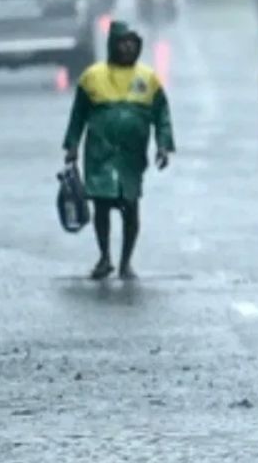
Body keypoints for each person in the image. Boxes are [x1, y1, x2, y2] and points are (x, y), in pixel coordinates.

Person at [62, 21, 175, 280]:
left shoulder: (148, 78)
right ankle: (105, 257)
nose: (128, 47)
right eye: (123, 42)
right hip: (100, 155)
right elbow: (78, 115)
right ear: (113, 44)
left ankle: (126, 261)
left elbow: (162, 114)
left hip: (131, 158)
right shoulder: (93, 77)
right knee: (101, 206)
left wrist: (163, 145)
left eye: (132, 42)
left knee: (131, 206)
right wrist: (72, 146)